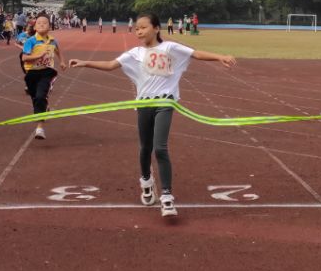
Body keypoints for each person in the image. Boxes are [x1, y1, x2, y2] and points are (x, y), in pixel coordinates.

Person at [69, 13, 236, 219]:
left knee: (160, 147)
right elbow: (112, 65)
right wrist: (85, 62)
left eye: (143, 27)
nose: (138, 31)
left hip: (165, 103)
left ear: (156, 28)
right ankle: (146, 182)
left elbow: (196, 53)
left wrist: (220, 57)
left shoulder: (170, 48)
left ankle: (167, 196)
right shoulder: (135, 52)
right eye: (137, 28)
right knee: (145, 148)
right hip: (143, 104)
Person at [19, 15, 66, 139]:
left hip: (46, 73)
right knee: (36, 99)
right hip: (32, 74)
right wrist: (38, 56)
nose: (41, 25)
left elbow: (58, 51)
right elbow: (24, 58)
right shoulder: (31, 41)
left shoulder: (53, 41)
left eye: (44, 23)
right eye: (38, 23)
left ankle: (39, 128)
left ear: (49, 27)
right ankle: (44, 106)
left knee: (40, 97)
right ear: (34, 27)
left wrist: (62, 61)